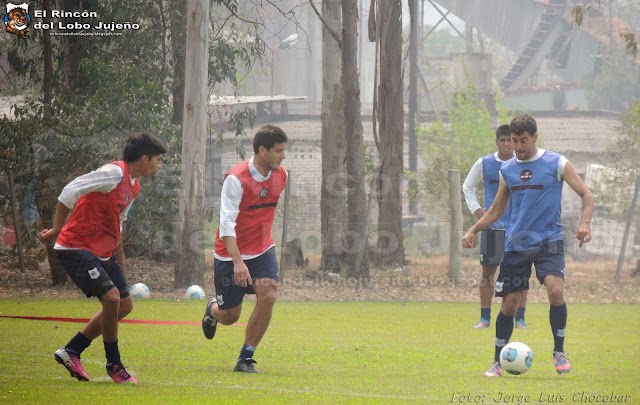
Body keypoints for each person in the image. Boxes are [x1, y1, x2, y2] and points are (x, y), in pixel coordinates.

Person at [462, 114, 593, 377]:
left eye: (523, 141)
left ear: (535, 137)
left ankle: (559, 352)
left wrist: (585, 223)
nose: (518, 147)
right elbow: (497, 210)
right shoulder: (507, 169)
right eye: (514, 141)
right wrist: (474, 228)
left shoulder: (557, 162)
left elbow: (587, 194)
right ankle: (498, 361)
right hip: (517, 242)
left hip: (549, 239)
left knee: (555, 291)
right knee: (510, 303)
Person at [39, 133, 166, 384]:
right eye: (158, 160)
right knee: (111, 298)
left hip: (102, 251)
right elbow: (69, 191)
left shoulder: (134, 186)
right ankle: (114, 364)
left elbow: (116, 226)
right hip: (75, 246)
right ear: (144, 158)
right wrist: (55, 229)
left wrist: (121, 265)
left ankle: (72, 350)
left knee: (125, 305)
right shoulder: (114, 173)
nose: (159, 165)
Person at [201, 124, 287, 373]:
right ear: (262, 150)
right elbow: (226, 225)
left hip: (262, 250)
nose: (283, 156)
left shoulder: (281, 175)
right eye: (279, 151)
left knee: (269, 293)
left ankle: (246, 358)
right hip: (230, 253)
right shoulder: (235, 180)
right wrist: (238, 262)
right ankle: (212, 310)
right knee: (230, 317)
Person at [463, 125, 528, 330]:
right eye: (504, 140)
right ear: (497, 142)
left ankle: (519, 319)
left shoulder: (523, 164)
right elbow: (467, 186)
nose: (508, 144)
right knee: (488, 273)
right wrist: (478, 212)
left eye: (511, 140)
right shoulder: (485, 163)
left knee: (520, 274)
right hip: (493, 228)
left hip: (518, 229)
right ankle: (485, 318)